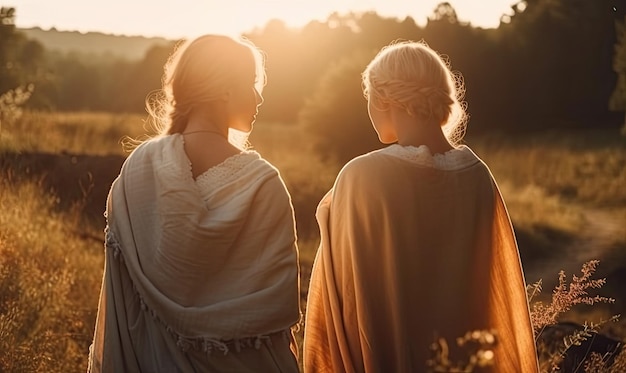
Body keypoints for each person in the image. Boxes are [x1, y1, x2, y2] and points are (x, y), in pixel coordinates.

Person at [303, 40, 539, 372]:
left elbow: (344, 299)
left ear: (385, 99)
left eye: (368, 97)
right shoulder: (478, 176)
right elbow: (494, 290)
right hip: (464, 361)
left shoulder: (362, 176)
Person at [87, 34, 301, 373]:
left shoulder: (137, 172)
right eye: (251, 84)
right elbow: (273, 319)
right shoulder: (264, 185)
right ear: (225, 91)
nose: (259, 97)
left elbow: (119, 303)